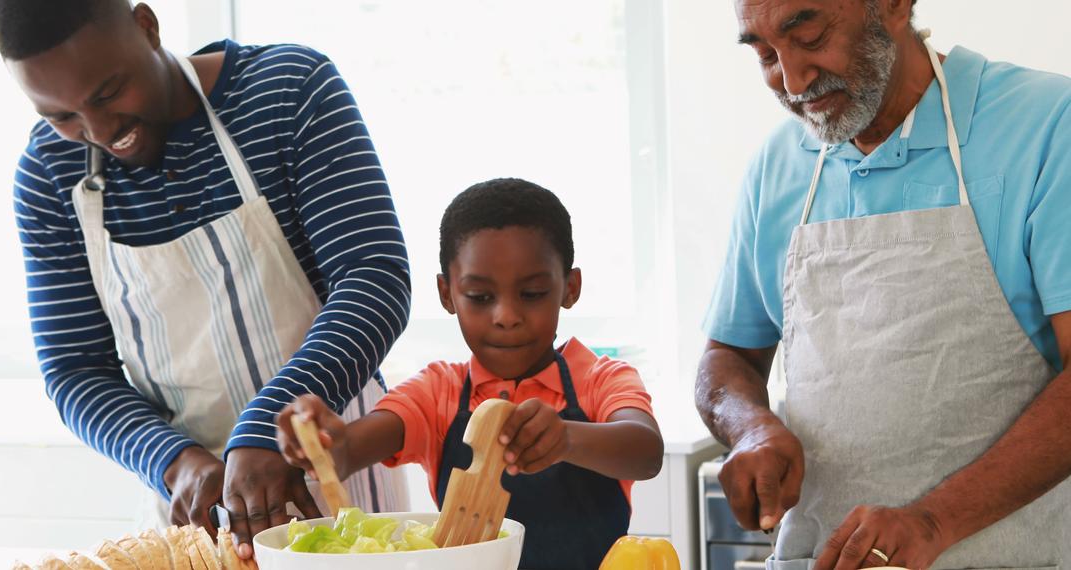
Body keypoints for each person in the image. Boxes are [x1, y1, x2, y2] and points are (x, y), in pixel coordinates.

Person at [0, 0, 411, 558]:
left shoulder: (287, 90)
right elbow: (75, 369)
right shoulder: (49, 175)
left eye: (107, 93)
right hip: (195, 516)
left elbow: (373, 279)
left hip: (339, 480)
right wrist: (173, 461)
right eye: (61, 116)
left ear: (146, 26)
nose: (98, 131)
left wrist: (265, 428)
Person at [696, 0, 1071, 568]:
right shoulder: (777, 165)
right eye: (767, 55)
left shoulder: (1046, 126)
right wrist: (749, 428)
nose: (794, 81)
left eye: (811, 35)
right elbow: (727, 356)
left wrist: (933, 521)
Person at [276, 178, 664, 570]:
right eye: (480, 298)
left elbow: (645, 452)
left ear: (570, 287)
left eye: (531, 294)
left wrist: (566, 438)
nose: (507, 317)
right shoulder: (437, 391)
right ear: (447, 294)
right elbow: (350, 450)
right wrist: (325, 443)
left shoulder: (601, 379)